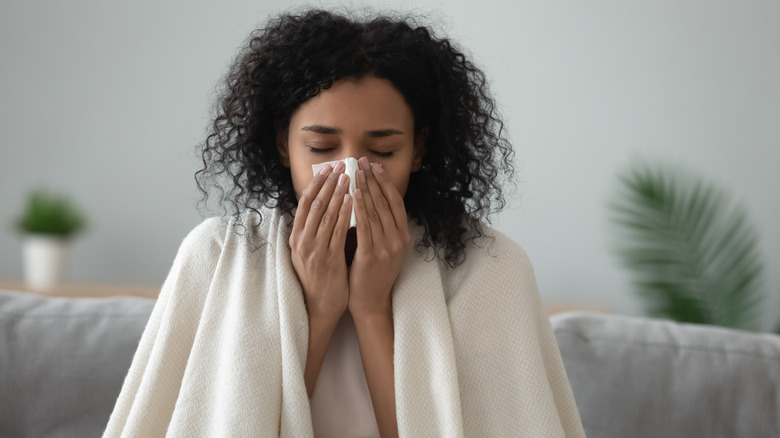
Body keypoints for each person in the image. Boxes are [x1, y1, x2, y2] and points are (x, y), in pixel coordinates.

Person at [103, 8, 585, 438]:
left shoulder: (489, 267)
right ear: (281, 144)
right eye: (320, 148)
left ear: (417, 149)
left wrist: (372, 309)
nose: (351, 173)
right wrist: (318, 310)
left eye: (381, 151)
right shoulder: (216, 256)